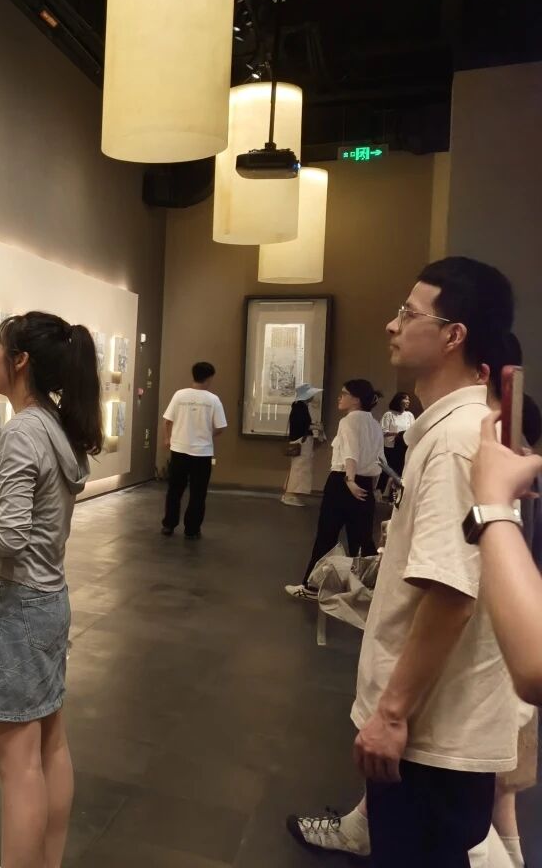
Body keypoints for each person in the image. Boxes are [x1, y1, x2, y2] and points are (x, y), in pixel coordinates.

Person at [351, 256, 519, 867]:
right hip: (437, 727)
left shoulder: (453, 441)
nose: (393, 325)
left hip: (431, 735)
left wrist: (393, 713)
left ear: (453, 335)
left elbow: (452, 592)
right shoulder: (460, 430)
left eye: (409, 313)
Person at [0, 311, 101, 868]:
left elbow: (11, 535)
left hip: (17, 607)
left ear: (20, 361)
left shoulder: (23, 430)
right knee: (51, 743)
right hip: (49, 600)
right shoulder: (56, 424)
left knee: (19, 766)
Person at [283, 380, 385, 600]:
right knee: (362, 538)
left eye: (344, 394)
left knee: (327, 535)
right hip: (365, 484)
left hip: (343, 482)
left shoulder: (349, 421)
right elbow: (379, 459)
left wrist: (350, 480)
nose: (340, 397)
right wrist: (374, 487)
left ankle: (311, 587)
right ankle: (370, 590)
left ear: (356, 399)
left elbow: (350, 453)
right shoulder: (374, 424)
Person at [160, 361, 227, 540]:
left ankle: (168, 525)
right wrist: (207, 434)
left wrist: (167, 438)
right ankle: (192, 529)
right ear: (209, 378)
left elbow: (167, 421)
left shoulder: (179, 395)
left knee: (174, 490)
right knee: (198, 493)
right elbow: (221, 427)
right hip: (202, 453)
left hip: (179, 449)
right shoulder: (213, 400)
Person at [281, 384, 322, 507]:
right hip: (302, 442)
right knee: (299, 468)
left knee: (297, 467)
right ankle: (290, 495)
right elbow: (302, 425)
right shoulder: (300, 407)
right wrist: (315, 426)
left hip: (299, 441)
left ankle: (289, 493)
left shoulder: (298, 406)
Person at [380, 391, 416, 484]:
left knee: (402, 471)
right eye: (406, 399)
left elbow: (413, 430)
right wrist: (398, 434)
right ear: (398, 400)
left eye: (408, 399)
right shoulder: (389, 414)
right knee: (391, 472)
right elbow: (382, 432)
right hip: (391, 448)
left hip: (405, 447)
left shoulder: (409, 415)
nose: (408, 401)